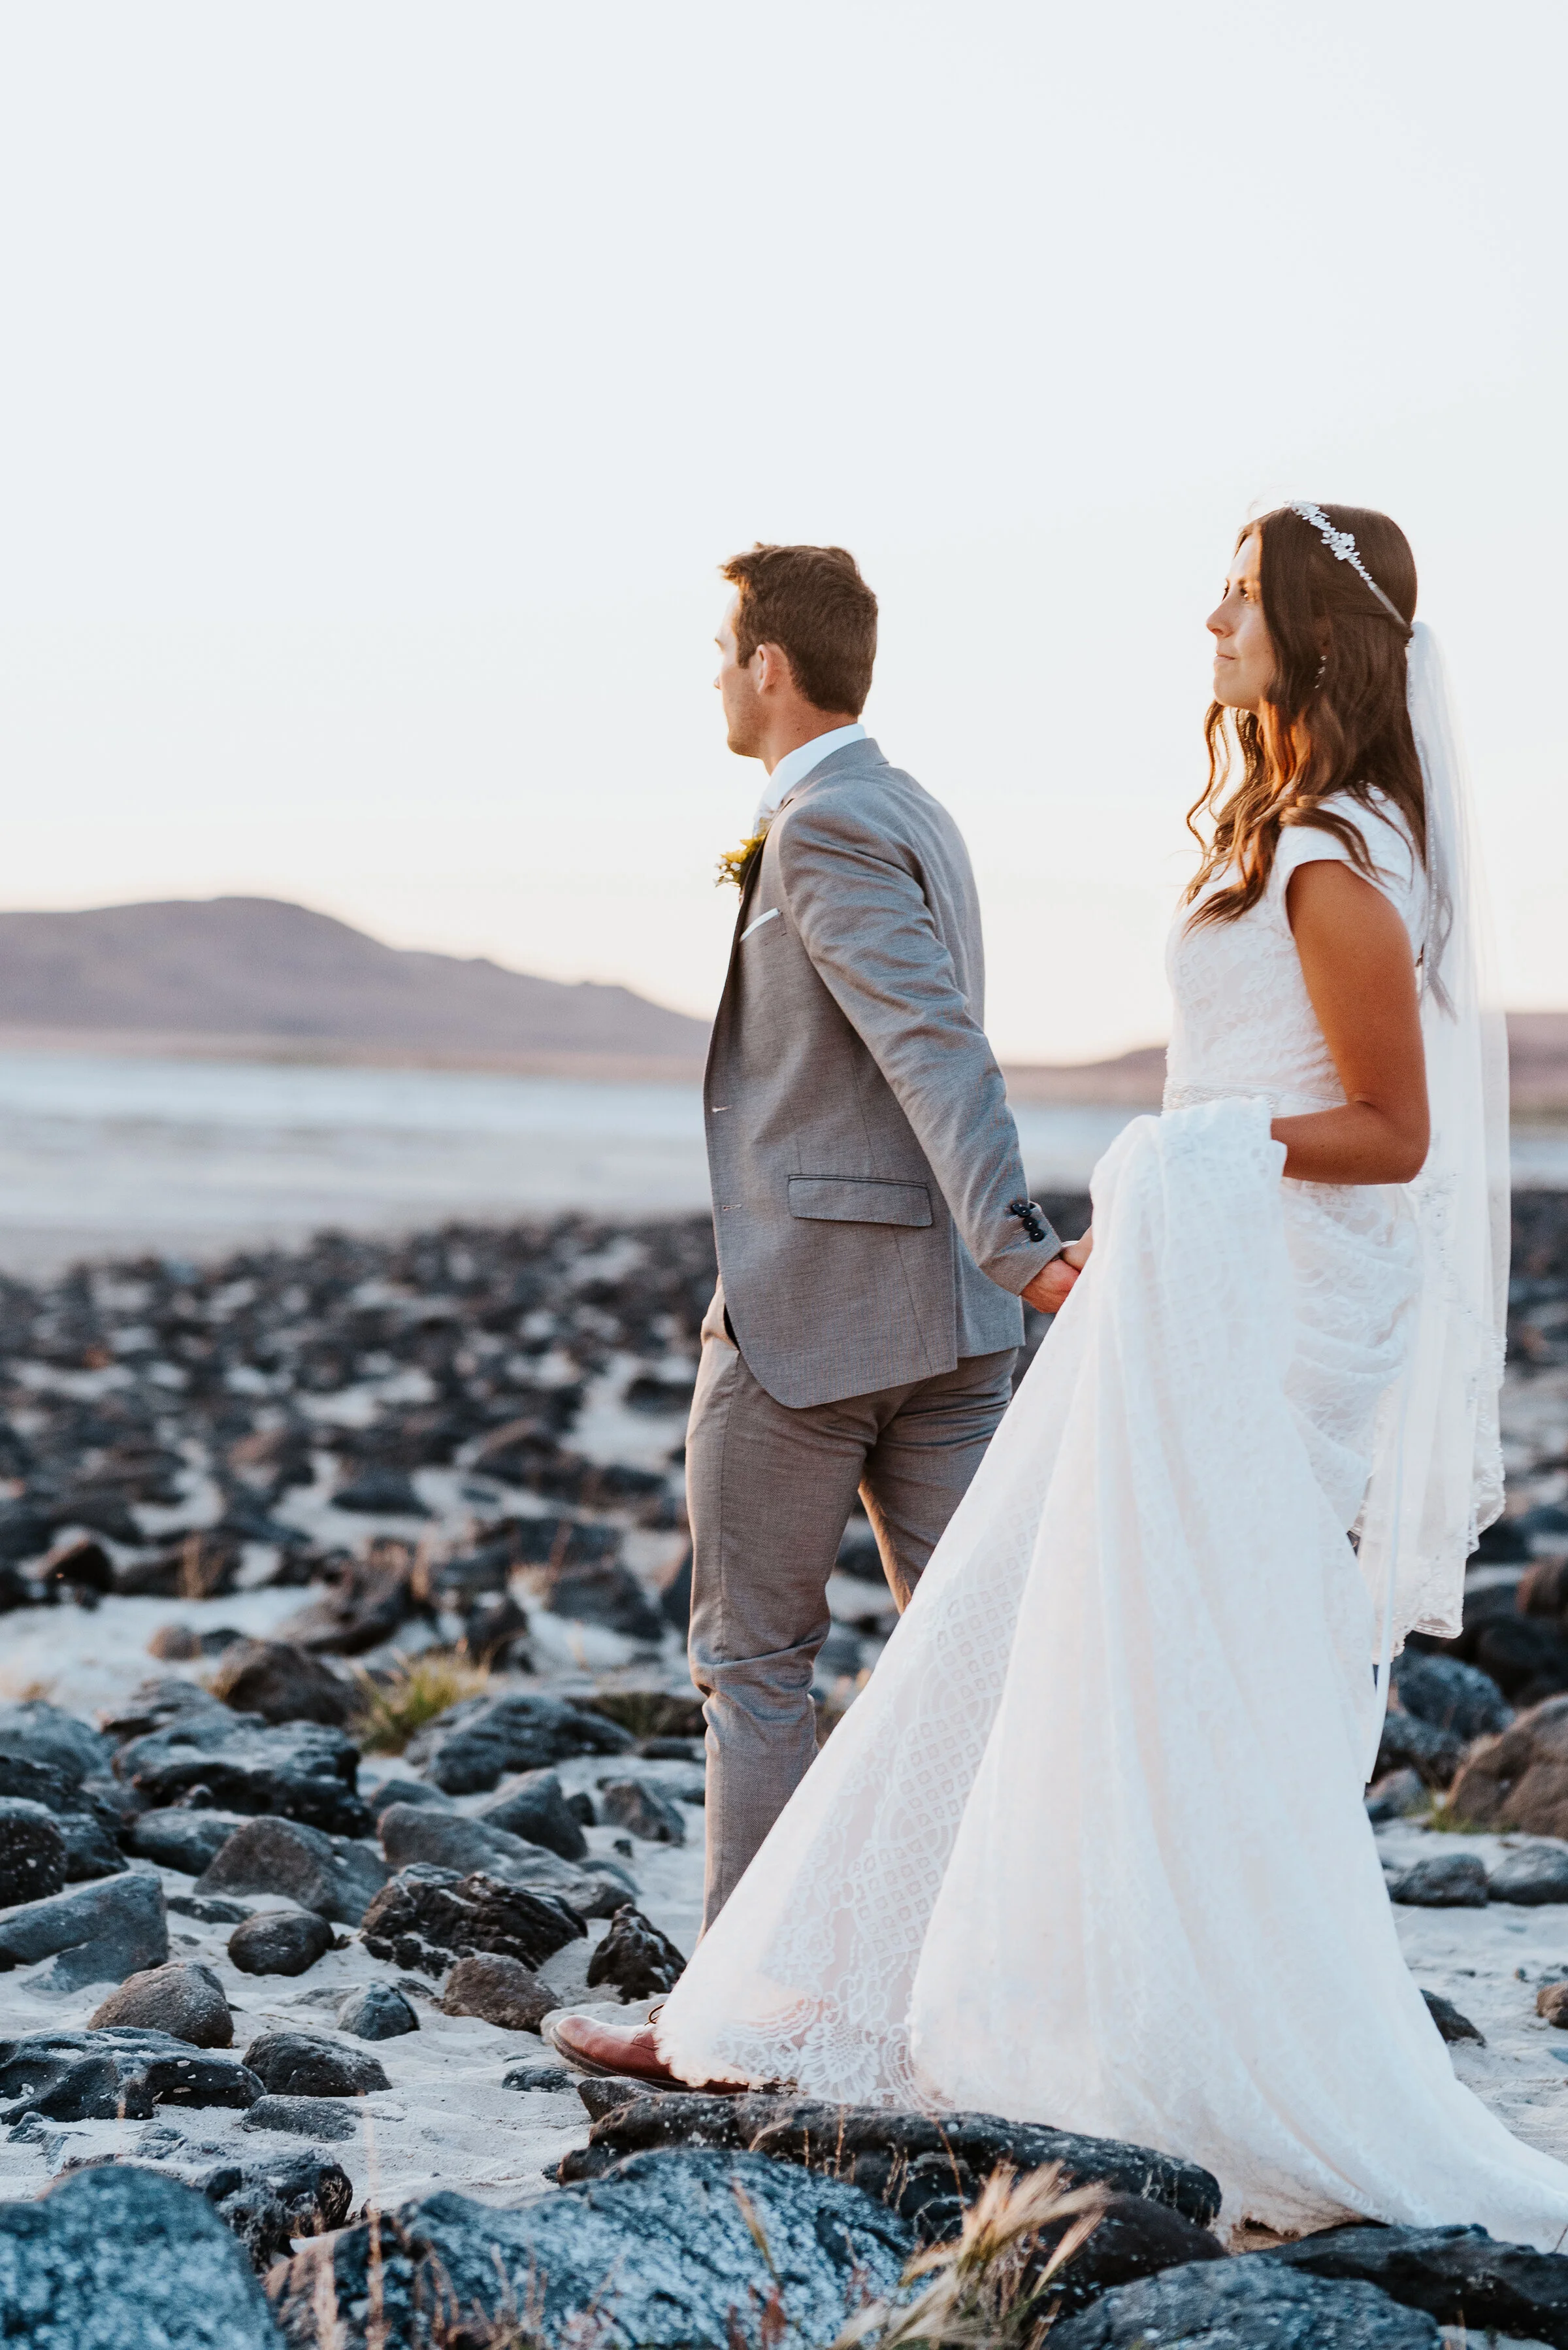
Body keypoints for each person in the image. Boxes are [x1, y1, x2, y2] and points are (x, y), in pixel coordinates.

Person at [561, 503, 1568, 2247]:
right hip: (1204, 1281)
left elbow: (1394, 1132)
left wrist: (1180, 1159)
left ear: (1311, 633)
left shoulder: (1334, 852)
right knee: (1044, 1640)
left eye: (1239, 601)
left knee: (1092, 1650)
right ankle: (845, 2004)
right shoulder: (1285, 828)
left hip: (1260, 1300)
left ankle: (809, 2013)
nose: (1209, 623)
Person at [554, 543, 1083, 2082]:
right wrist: (999, 1272)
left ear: (772, 664)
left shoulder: (832, 820)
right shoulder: (919, 806)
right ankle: (979, 1995)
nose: (716, 676)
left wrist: (1020, 1241)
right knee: (975, 1665)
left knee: (756, 1665)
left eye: (724, 648)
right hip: (953, 1338)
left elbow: (933, 1042)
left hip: (811, 1329)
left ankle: (735, 2018)